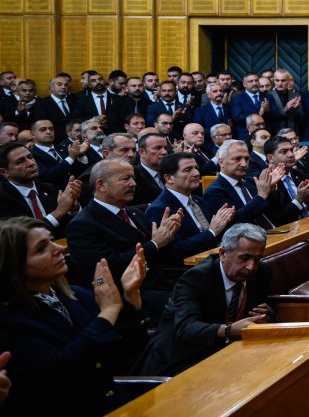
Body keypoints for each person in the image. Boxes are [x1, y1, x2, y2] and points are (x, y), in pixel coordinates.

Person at [0, 217, 148, 416]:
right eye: (42, 248)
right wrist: (108, 311)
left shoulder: (75, 295)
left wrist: (130, 296)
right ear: (14, 267)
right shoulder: (9, 321)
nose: (59, 248)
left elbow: (127, 352)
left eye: (52, 240)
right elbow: (61, 374)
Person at [139, 223, 275, 376]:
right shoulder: (196, 277)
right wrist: (229, 330)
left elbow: (260, 312)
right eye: (244, 258)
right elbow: (186, 327)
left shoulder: (261, 272)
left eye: (257, 259)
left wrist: (267, 315)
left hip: (230, 356)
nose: (251, 266)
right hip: (181, 360)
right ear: (223, 253)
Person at [66, 159, 183, 319]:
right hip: (129, 296)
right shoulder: (82, 225)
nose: (133, 184)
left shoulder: (134, 213)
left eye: (133, 178)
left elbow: (161, 254)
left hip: (163, 282)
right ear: (101, 185)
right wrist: (155, 244)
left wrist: (169, 233)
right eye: (125, 179)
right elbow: (110, 267)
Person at [145, 152, 236, 268]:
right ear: (169, 178)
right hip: (189, 271)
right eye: (188, 170)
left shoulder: (198, 200)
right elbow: (177, 251)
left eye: (196, 168)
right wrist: (212, 231)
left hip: (214, 262)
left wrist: (223, 224)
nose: (197, 173)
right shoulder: (160, 209)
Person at [0, 142, 80, 239]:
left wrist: (72, 208)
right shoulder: (3, 197)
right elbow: (20, 236)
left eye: (30, 157)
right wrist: (59, 211)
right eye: (20, 161)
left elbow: (65, 226)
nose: (31, 163)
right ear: (4, 172)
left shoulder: (47, 188)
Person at [201, 140, 283, 231]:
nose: (244, 164)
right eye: (237, 159)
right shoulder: (213, 192)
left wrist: (271, 190)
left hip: (275, 232)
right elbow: (235, 223)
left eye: (247, 159)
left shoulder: (251, 182)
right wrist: (261, 196)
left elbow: (275, 212)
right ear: (221, 162)